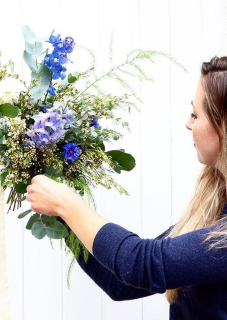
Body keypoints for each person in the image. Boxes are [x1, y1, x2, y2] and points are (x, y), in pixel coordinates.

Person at [26, 56, 227, 320]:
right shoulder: (214, 206)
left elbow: (143, 264)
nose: (188, 123)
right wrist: (60, 211)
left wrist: (65, 203)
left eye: (195, 113)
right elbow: (119, 283)